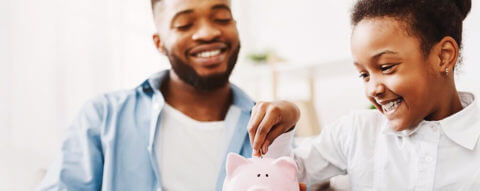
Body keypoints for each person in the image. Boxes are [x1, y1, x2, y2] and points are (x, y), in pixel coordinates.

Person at [37, 0, 298, 190]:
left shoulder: (271, 128)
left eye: (221, 18)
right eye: (185, 24)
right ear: (159, 42)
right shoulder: (103, 117)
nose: (208, 32)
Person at [248, 0, 480, 190]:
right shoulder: (357, 132)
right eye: (364, 75)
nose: (373, 89)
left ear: (443, 56)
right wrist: (288, 118)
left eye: (386, 67)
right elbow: (279, 172)